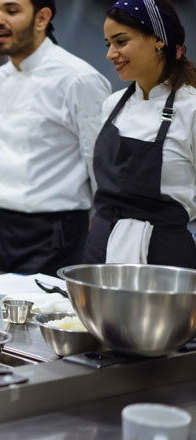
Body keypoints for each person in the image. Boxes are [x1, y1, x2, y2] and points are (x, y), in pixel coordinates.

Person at [0, 0, 111, 275]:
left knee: (49, 314)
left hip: (56, 230)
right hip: (2, 225)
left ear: (42, 18)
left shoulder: (78, 79)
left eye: (11, 10)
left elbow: (100, 166)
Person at [83, 0, 196, 267]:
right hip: (102, 248)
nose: (111, 54)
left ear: (158, 40)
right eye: (108, 44)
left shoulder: (190, 108)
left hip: (164, 259)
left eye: (121, 42)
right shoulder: (113, 105)